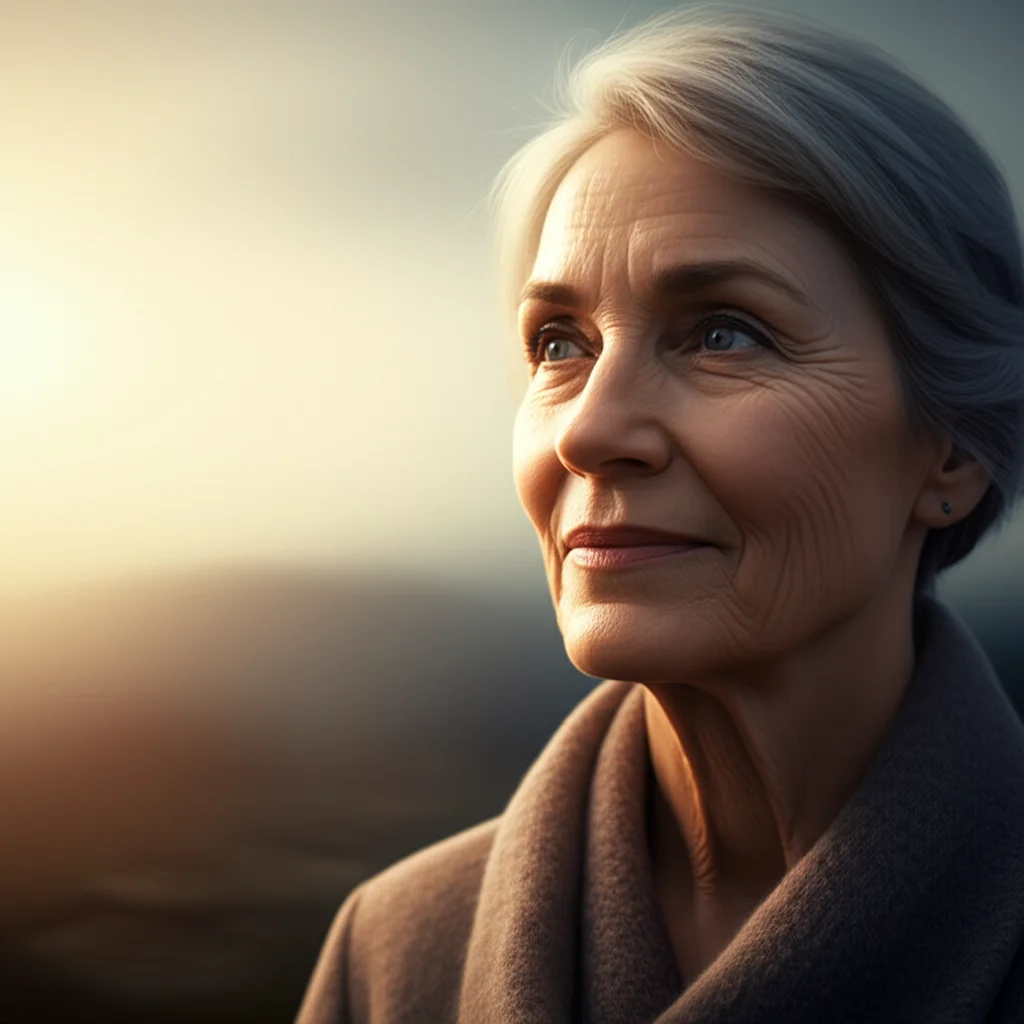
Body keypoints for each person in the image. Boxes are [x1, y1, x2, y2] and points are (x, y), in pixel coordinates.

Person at [297, 7, 1024, 1021]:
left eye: (723, 332)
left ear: (950, 448)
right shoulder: (392, 956)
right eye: (558, 344)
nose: (589, 430)